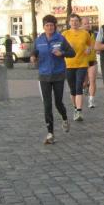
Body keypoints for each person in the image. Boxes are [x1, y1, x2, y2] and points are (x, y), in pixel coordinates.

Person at [31, 14, 75, 144]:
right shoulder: (39, 40)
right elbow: (34, 52)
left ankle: (65, 118)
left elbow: (72, 53)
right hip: (44, 76)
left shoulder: (60, 38)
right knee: (47, 104)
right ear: (44, 27)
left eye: (51, 25)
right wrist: (33, 57)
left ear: (55, 26)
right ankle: (50, 133)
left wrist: (62, 53)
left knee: (58, 102)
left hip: (58, 75)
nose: (49, 27)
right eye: (47, 25)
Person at [62, 14, 94, 121]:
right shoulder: (65, 34)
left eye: (76, 21)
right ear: (69, 22)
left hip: (82, 64)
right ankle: (75, 108)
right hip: (69, 64)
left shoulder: (85, 33)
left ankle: (79, 111)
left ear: (79, 22)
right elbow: (60, 47)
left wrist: (89, 49)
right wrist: (66, 48)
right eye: (72, 21)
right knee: (72, 89)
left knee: (79, 86)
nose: (74, 23)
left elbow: (90, 44)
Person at [81, 16, 98, 108]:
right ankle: (85, 86)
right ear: (81, 25)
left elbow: (98, 44)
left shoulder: (94, 34)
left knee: (92, 80)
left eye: (89, 23)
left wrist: (98, 49)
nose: (88, 25)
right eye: (85, 24)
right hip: (82, 61)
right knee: (84, 82)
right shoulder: (79, 34)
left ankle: (91, 100)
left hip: (92, 60)